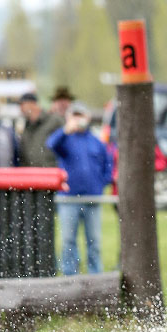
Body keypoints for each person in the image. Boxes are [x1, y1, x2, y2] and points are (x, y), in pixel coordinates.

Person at [46, 102, 112, 275]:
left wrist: (100, 184)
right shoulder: (64, 139)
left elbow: (107, 165)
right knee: (68, 241)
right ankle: (70, 275)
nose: (78, 119)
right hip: (69, 198)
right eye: (74, 115)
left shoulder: (96, 142)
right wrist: (66, 130)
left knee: (94, 241)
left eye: (80, 115)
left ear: (88, 117)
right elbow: (51, 144)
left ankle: (95, 276)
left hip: (92, 198)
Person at [18, 92, 63, 166]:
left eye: (22, 104)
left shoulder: (54, 120)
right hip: (34, 175)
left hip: (52, 172)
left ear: (32, 104)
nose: (20, 108)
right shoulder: (26, 128)